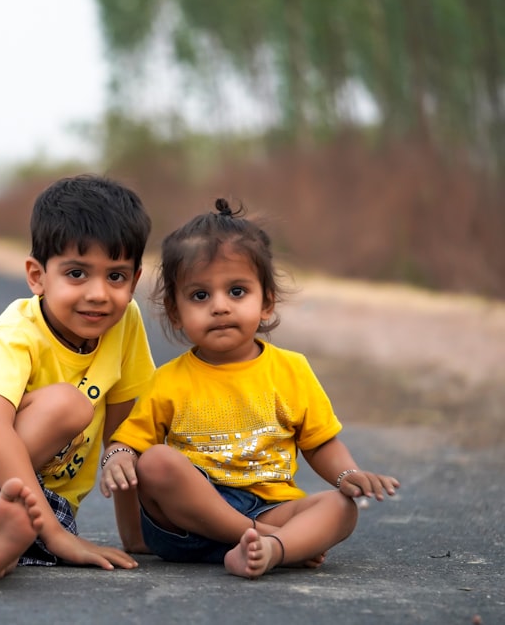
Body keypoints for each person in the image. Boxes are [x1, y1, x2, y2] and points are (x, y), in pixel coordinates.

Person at [100, 198, 400, 579]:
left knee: (341, 508)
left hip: (270, 506)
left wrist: (347, 475)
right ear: (176, 313)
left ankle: (270, 549)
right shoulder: (169, 380)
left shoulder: (291, 369)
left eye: (237, 291)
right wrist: (119, 457)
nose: (220, 307)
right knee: (157, 461)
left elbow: (320, 442)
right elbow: (130, 442)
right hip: (188, 524)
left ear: (267, 302)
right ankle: (278, 541)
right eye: (200, 295)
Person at [0, 174, 156, 588]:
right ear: (37, 276)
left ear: (135, 280)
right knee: (70, 405)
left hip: (32, 492)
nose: (98, 294)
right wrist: (56, 536)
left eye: (116, 277)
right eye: (77, 274)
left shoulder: (126, 323)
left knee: (19, 519)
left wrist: (133, 534)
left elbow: (122, 435)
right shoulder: (19, 331)